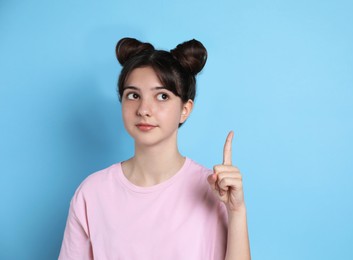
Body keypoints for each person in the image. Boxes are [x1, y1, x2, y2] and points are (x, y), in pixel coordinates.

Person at [59, 37, 250, 260]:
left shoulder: (215, 190)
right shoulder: (91, 193)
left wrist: (236, 211)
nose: (144, 109)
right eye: (133, 95)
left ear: (185, 110)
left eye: (162, 96)